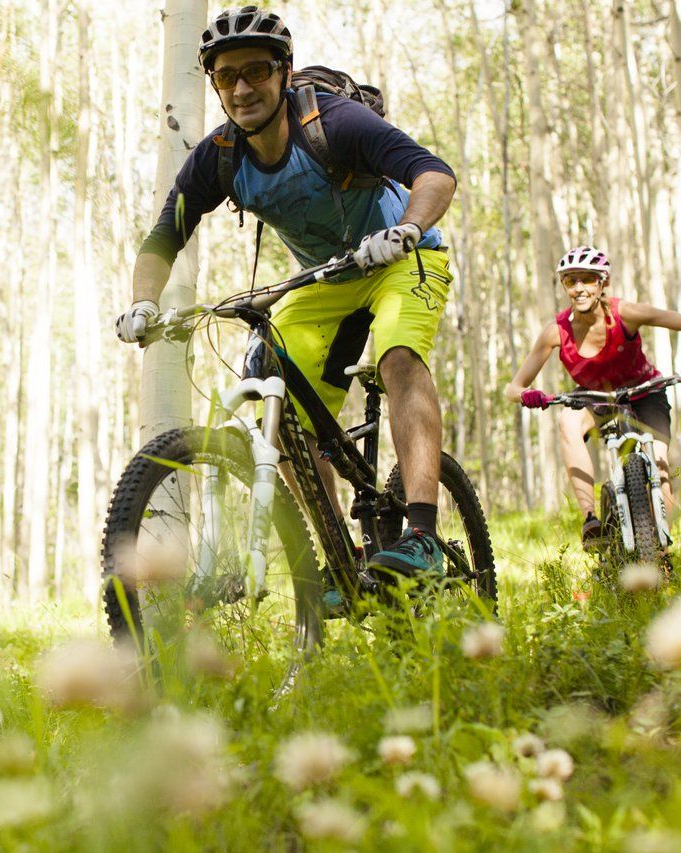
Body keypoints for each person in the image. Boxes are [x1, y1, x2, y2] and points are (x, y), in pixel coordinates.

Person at [113, 6, 458, 581]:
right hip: (326, 279)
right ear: (216, 86)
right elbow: (162, 238)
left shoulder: (337, 123)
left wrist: (406, 230)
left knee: (398, 357)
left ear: (283, 72)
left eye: (256, 71)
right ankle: (342, 561)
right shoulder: (218, 156)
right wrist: (144, 302)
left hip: (406, 256)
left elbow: (434, 173)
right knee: (282, 410)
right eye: (227, 77)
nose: (243, 88)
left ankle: (422, 533)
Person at [504, 245, 681, 547]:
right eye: (571, 281)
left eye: (587, 279)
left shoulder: (625, 314)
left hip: (645, 392)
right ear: (564, 286)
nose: (579, 288)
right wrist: (527, 395)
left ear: (602, 282)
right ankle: (591, 520)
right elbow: (512, 388)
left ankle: (663, 550)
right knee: (568, 421)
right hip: (596, 399)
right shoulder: (556, 332)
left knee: (659, 464)